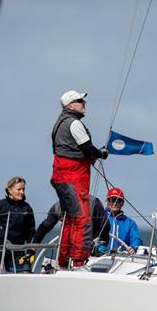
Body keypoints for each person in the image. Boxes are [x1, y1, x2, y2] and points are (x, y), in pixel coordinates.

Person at [50, 90, 108, 268]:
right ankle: (78, 261)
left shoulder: (59, 123)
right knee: (82, 219)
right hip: (73, 178)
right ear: (70, 105)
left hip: (61, 177)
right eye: (80, 101)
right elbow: (88, 149)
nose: (84, 104)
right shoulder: (74, 124)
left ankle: (62, 261)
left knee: (70, 219)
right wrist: (101, 154)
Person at [32, 195, 108, 259]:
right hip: (68, 246)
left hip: (91, 246)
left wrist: (94, 241)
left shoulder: (93, 203)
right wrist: (32, 248)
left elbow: (105, 225)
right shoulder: (58, 207)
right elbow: (44, 227)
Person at [102, 187, 143, 254]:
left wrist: (133, 247)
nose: (115, 203)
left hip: (120, 258)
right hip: (98, 257)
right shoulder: (99, 218)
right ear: (107, 201)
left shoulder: (130, 223)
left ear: (122, 203)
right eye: (112, 200)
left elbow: (136, 239)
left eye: (118, 200)